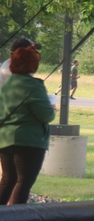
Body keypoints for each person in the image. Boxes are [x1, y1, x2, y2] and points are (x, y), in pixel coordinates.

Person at [0, 43, 56, 205]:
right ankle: (17, 219)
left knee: (8, 180)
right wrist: (52, 107)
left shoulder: (6, 86)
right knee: (24, 182)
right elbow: (45, 115)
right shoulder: (33, 85)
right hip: (28, 141)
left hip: (5, 139)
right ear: (33, 65)